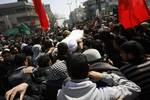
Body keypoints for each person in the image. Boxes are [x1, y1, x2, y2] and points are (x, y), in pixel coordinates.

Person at [57, 53, 141, 100]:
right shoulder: (105, 94)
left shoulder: (60, 95)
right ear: (88, 68)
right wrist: (103, 76)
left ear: (68, 72)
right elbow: (135, 88)